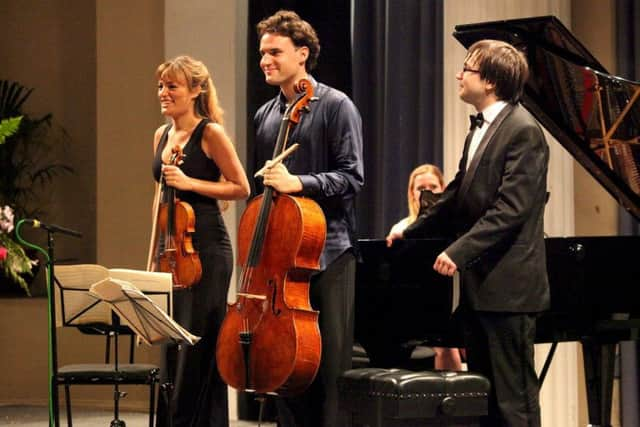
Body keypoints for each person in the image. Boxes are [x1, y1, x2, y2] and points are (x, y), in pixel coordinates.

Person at [388, 39, 550, 427]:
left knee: (514, 404)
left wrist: (459, 251)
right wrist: (412, 228)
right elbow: (457, 191)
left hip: (510, 290)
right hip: (483, 289)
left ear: (491, 81)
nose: (459, 75)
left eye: (468, 69)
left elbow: (511, 209)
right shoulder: (479, 130)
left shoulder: (524, 131)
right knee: (488, 402)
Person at [252, 10, 364, 427]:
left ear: (302, 54)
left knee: (329, 373)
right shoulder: (266, 115)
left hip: (329, 253)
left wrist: (298, 182)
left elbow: (353, 178)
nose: (265, 60)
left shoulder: (336, 106)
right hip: (281, 259)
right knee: (286, 372)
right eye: (262, 52)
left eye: (275, 52)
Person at [151, 55, 250, 427]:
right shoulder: (160, 136)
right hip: (172, 251)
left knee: (198, 346)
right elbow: (159, 196)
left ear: (195, 91)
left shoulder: (210, 134)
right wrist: (154, 252)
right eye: (161, 85)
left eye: (172, 86)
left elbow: (241, 186)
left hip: (207, 251)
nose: (164, 92)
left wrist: (190, 183)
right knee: (172, 348)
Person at [387, 164, 464, 371]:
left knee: (450, 344)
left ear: (444, 189)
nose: (427, 192)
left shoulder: (457, 227)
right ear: (412, 193)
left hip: (454, 298)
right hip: (414, 303)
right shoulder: (401, 229)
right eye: (421, 188)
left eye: (433, 186)